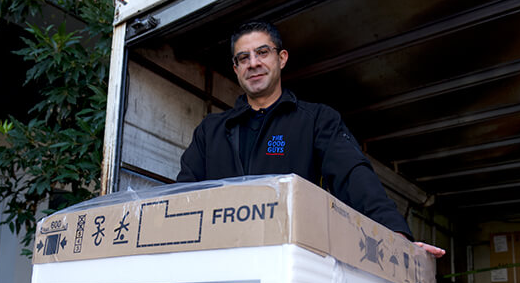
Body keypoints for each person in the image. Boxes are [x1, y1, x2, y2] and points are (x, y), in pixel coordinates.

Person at [177, 21, 445, 258]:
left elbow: (353, 176)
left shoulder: (315, 120)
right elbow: (183, 198)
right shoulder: (210, 131)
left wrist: (395, 234)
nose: (253, 63)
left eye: (262, 52)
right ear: (235, 68)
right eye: (243, 58)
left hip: (290, 261)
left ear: (281, 58)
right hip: (220, 262)